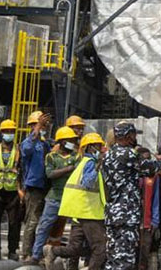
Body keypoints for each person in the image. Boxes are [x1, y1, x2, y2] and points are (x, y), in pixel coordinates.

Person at [102, 121, 161, 270]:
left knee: (113, 257)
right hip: (126, 214)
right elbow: (149, 167)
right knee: (125, 258)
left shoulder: (108, 154)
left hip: (112, 213)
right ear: (129, 136)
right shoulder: (128, 153)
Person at [54, 133, 108, 270]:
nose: (102, 149)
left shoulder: (83, 162)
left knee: (75, 248)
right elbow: (88, 183)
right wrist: (98, 166)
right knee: (100, 249)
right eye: (99, 146)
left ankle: (52, 251)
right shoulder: (91, 163)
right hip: (88, 212)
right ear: (91, 148)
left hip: (79, 212)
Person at [28, 126, 80, 264]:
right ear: (62, 142)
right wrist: (69, 168)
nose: (73, 143)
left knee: (76, 230)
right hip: (55, 197)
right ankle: (36, 255)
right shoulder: (52, 157)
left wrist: (63, 171)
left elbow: (78, 173)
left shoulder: (76, 157)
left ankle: (70, 260)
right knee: (44, 226)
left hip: (72, 198)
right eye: (70, 140)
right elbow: (50, 174)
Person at [20, 111, 52, 259]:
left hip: (45, 186)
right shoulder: (29, 142)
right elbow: (26, 150)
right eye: (40, 124)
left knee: (41, 222)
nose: (44, 127)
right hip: (34, 187)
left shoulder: (45, 143)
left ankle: (36, 251)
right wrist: (37, 128)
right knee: (32, 221)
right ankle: (26, 253)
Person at [0, 119, 22, 261]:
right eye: (6, 131)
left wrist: (22, 190)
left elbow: (23, 170)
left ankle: (12, 251)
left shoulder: (18, 150)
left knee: (14, 224)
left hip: (13, 192)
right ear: (1, 133)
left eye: (11, 132)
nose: (9, 134)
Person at [139, 150, 161, 270]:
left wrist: (155, 220)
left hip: (147, 223)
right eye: (143, 159)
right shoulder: (131, 174)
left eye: (148, 159)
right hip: (132, 222)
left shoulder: (154, 176)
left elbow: (155, 199)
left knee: (144, 256)